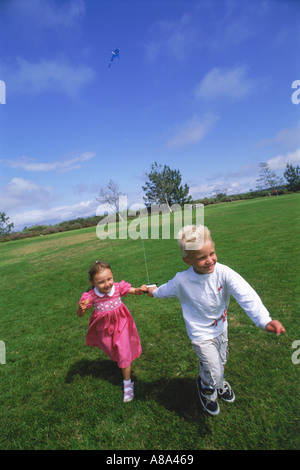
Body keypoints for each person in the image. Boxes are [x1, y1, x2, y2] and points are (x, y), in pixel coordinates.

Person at [147, 225, 285, 416]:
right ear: (188, 260)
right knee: (214, 371)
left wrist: (264, 320)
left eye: (212, 253)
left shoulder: (224, 273)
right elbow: (164, 290)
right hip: (200, 334)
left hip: (221, 328)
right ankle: (207, 387)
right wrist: (152, 291)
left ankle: (215, 380)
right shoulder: (182, 280)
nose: (209, 260)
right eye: (202, 257)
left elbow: (246, 294)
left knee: (222, 360)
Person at [77, 260, 147, 403]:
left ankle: (127, 384)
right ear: (93, 282)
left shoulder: (117, 287)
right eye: (101, 282)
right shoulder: (91, 296)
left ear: (113, 276)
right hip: (105, 329)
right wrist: (81, 308)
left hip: (122, 324)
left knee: (123, 353)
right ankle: (123, 364)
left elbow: (133, 290)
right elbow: (80, 313)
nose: (107, 284)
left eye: (109, 279)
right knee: (112, 350)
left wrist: (140, 290)